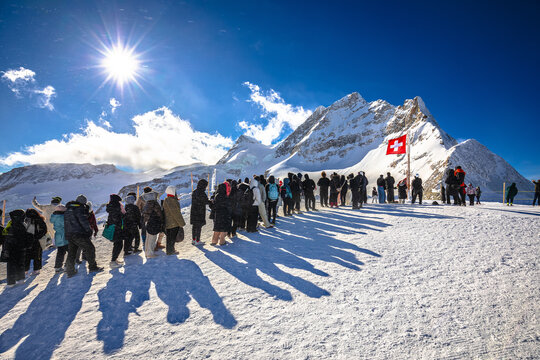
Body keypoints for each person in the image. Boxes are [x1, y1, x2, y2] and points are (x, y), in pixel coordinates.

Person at [64, 194, 103, 277]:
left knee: (72, 252)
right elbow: (83, 221)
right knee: (90, 248)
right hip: (79, 233)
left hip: (70, 234)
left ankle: (70, 271)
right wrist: (89, 231)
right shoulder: (79, 209)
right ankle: (92, 267)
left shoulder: (68, 209)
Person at [2, 210, 30, 287]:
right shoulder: (24, 224)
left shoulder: (10, 224)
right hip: (21, 248)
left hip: (11, 248)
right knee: (20, 264)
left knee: (11, 265)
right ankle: (20, 279)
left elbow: (6, 238)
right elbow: (29, 237)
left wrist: (6, 249)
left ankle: (11, 282)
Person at [162, 185, 186, 255]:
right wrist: (181, 223)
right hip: (173, 222)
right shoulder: (171, 200)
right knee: (171, 238)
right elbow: (176, 213)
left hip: (169, 222)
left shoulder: (167, 199)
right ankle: (170, 251)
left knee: (170, 237)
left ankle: (170, 250)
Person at [24, 208, 47, 276]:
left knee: (26, 256)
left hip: (27, 241)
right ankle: (36, 270)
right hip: (37, 241)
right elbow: (44, 230)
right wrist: (38, 236)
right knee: (37, 255)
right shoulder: (40, 219)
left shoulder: (25, 220)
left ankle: (25, 270)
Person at [106, 194, 128, 268]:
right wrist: (123, 215)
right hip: (117, 228)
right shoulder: (116, 206)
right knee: (119, 244)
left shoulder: (111, 206)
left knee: (116, 244)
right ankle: (113, 261)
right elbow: (118, 217)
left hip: (114, 227)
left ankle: (114, 260)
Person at [142, 190, 163, 258]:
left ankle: (147, 252)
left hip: (148, 223)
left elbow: (144, 214)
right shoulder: (154, 203)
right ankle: (150, 253)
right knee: (152, 238)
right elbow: (159, 213)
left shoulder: (147, 204)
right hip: (154, 222)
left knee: (148, 238)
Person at [191, 178, 210, 244]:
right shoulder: (201, 192)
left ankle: (194, 239)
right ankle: (198, 240)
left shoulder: (195, 191)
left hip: (194, 211)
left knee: (194, 226)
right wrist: (211, 202)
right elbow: (205, 201)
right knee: (198, 226)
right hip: (200, 211)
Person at [50, 204, 68, 273]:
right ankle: (67, 266)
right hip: (64, 235)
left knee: (60, 252)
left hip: (57, 236)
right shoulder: (62, 217)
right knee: (71, 251)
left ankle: (58, 267)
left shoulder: (54, 217)